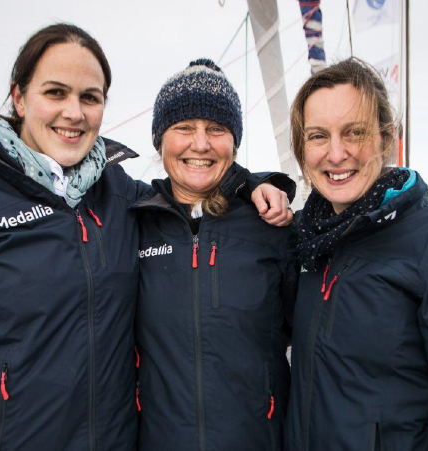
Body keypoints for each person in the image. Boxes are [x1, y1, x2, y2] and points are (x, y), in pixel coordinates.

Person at [0, 24, 291, 451]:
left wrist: (254, 184)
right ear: (19, 96)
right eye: (55, 93)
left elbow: (192, 190)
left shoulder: (121, 195)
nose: (74, 113)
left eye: (89, 97)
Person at [285, 58, 428, 450]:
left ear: (385, 138)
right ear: (302, 149)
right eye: (318, 136)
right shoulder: (306, 237)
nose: (336, 154)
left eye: (354, 132)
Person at [132, 58, 294, 451]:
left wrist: (254, 184)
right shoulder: (133, 222)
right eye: (183, 127)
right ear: (160, 139)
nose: (200, 144)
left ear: (233, 143)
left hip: (257, 439)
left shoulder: (271, 227)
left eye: (216, 129)